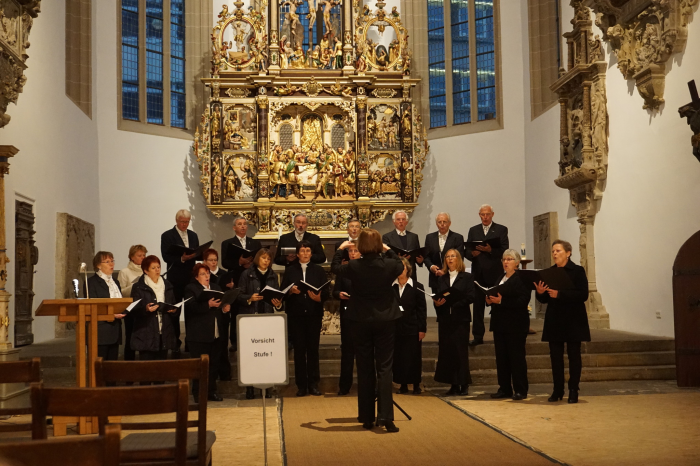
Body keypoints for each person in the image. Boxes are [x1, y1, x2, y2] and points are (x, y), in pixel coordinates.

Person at [332, 229, 404, 433]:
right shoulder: (389, 264)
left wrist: (340, 249)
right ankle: (386, 417)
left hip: (360, 319)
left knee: (364, 367)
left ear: (361, 246)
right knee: (385, 368)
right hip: (385, 319)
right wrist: (387, 249)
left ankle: (366, 416)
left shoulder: (354, 265)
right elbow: (399, 264)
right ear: (379, 244)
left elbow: (336, 268)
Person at [534, 240, 590, 404]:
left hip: (574, 319)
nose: (554, 254)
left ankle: (573, 389)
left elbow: (583, 295)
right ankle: (557, 389)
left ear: (568, 252)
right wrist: (540, 293)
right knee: (555, 357)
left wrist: (560, 294)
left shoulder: (577, 271)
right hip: (555, 319)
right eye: (553, 251)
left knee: (574, 356)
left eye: (558, 250)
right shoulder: (549, 272)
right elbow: (544, 299)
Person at [281, 241, 331, 397]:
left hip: (313, 313)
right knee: (299, 351)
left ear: (311, 253)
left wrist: (318, 298)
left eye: (308, 250)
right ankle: (301, 385)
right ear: (297, 253)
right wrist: (290, 291)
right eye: (302, 251)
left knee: (313, 350)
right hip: (296, 314)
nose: (305, 253)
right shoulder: (290, 271)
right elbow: (282, 291)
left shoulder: (318, 270)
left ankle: (314, 384)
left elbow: (327, 292)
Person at [486, 249, 532, 400]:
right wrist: (489, 300)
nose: (506, 262)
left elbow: (523, 300)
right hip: (500, 323)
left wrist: (501, 301)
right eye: (504, 259)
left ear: (517, 262)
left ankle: (520, 389)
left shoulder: (522, 279)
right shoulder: (501, 277)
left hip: (516, 324)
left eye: (510, 259)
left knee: (516, 357)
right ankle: (504, 388)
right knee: (502, 358)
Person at [237, 248, 283, 399]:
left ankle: (268, 387)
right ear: (257, 259)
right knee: (252, 354)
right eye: (263, 258)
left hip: (268, 317)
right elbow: (239, 295)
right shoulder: (247, 274)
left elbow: (276, 295)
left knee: (267, 354)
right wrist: (250, 298)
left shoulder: (272, 275)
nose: (266, 261)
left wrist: (277, 304)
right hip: (252, 317)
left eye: (268, 259)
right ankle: (250, 388)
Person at [183, 264, 230, 402]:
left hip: (215, 332)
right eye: (203, 274)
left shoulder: (216, 287)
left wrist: (224, 309)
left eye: (208, 273)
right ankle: (198, 393)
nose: (207, 276)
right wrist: (207, 305)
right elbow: (191, 307)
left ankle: (211, 391)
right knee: (199, 366)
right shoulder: (191, 289)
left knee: (213, 365)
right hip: (199, 335)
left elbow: (221, 306)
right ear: (196, 277)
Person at [432, 249, 475, 396]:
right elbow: (438, 297)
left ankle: (464, 384)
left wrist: (454, 303)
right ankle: (453, 384)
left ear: (458, 259)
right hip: (445, 319)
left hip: (460, 319)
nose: (450, 259)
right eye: (447, 257)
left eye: (453, 256)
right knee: (448, 352)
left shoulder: (467, 277)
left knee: (460, 352)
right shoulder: (442, 279)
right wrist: (437, 304)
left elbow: (471, 296)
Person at [465, 204, 509, 346]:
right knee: (478, 307)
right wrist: (472, 253)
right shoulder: (473, 230)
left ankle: (499, 334)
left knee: (496, 305)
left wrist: (490, 250)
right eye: (482, 214)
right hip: (478, 273)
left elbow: (504, 251)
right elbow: (467, 251)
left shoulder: (501, 229)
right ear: (479, 215)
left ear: (492, 214)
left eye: (487, 214)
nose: (485, 217)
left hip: (495, 273)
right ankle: (478, 336)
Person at [220, 216, 262, 353]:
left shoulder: (254, 243)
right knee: (236, 309)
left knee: (252, 307)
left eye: (245, 224)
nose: (243, 226)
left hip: (252, 279)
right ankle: (235, 341)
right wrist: (240, 263)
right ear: (234, 228)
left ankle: (254, 337)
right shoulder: (227, 243)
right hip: (236, 278)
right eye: (239, 224)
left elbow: (260, 259)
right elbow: (225, 263)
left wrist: (252, 263)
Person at [161, 209, 200, 352]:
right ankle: (175, 341)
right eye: (182, 221)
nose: (185, 224)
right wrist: (182, 258)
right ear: (176, 221)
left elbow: (197, 252)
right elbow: (166, 257)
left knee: (191, 311)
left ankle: (191, 341)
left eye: (187, 222)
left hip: (191, 277)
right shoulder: (167, 235)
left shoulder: (193, 235)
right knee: (175, 310)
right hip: (175, 278)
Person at [129, 255, 178, 363]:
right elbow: (133, 310)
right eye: (153, 268)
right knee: (146, 371)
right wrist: (145, 309)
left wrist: (174, 310)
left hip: (164, 332)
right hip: (147, 333)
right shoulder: (138, 287)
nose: (157, 270)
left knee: (161, 371)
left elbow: (174, 304)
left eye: (158, 267)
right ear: (146, 270)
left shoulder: (167, 285)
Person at [392, 258, 427, 395]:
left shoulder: (417, 286)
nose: (400, 270)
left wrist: (422, 328)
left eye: (402, 267)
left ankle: (416, 384)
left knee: (414, 356)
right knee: (399, 356)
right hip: (396, 327)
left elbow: (421, 309)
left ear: (408, 269)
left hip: (412, 327)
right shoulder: (391, 286)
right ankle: (403, 384)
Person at [86, 251, 126, 362]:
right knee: (99, 368)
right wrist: (110, 314)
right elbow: (93, 305)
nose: (111, 264)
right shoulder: (91, 282)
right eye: (107, 262)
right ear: (98, 265)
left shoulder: (115, 282)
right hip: (100, 330)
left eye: (112, 261)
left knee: (112, 368)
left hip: (114, 329)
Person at [332, 240, 360, 395]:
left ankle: (367, 385)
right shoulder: (344, 270)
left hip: (362, 316)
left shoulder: (365, 269)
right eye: (350, 251)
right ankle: (344, 386)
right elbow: (335, 291)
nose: (353, 253)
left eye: (355, 251)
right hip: (347, 315)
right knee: (347, 352)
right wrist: (339, 294)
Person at [201, 248, 233, 382]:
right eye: (211, 260)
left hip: (222, 313)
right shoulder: (201, 275)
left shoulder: (224, 273)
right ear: (205, 261)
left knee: (223, 344)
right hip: (207, 316)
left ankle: (225, 373)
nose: (214, 263)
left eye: (215, 260)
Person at [117, 244, 148, 362]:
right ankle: (129, 369)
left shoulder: (146, 271)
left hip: (144, 308)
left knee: (144, 338)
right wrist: (135, 286)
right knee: (130, 337)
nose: (143, 257)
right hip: (131, 308)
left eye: (144, 255)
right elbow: (121, 292)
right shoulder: (124, 272)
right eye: (139, 255)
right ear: (131, 257)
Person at [424, 212, 465, 293]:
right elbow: (426, 256)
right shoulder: (430, 237)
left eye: (444, 222)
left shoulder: (457, 237)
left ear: (449, 223)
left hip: (452, 277)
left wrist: (445, 271)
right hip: (435, 277)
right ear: (436, 224)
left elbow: (460, 257)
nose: (442, 224)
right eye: (439, 222)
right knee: (438, 303)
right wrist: (431, 267)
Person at [382, 210, 423, 280]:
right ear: (394, 222)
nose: (401, 221)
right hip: (395, 272)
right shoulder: (387, 237)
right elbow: (385, 257)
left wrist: (420, 261)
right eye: (398, 219)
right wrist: (398, 258)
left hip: (411, 273)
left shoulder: (414, 236)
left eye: (403, 219)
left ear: (406, 222)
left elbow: (417, 253)